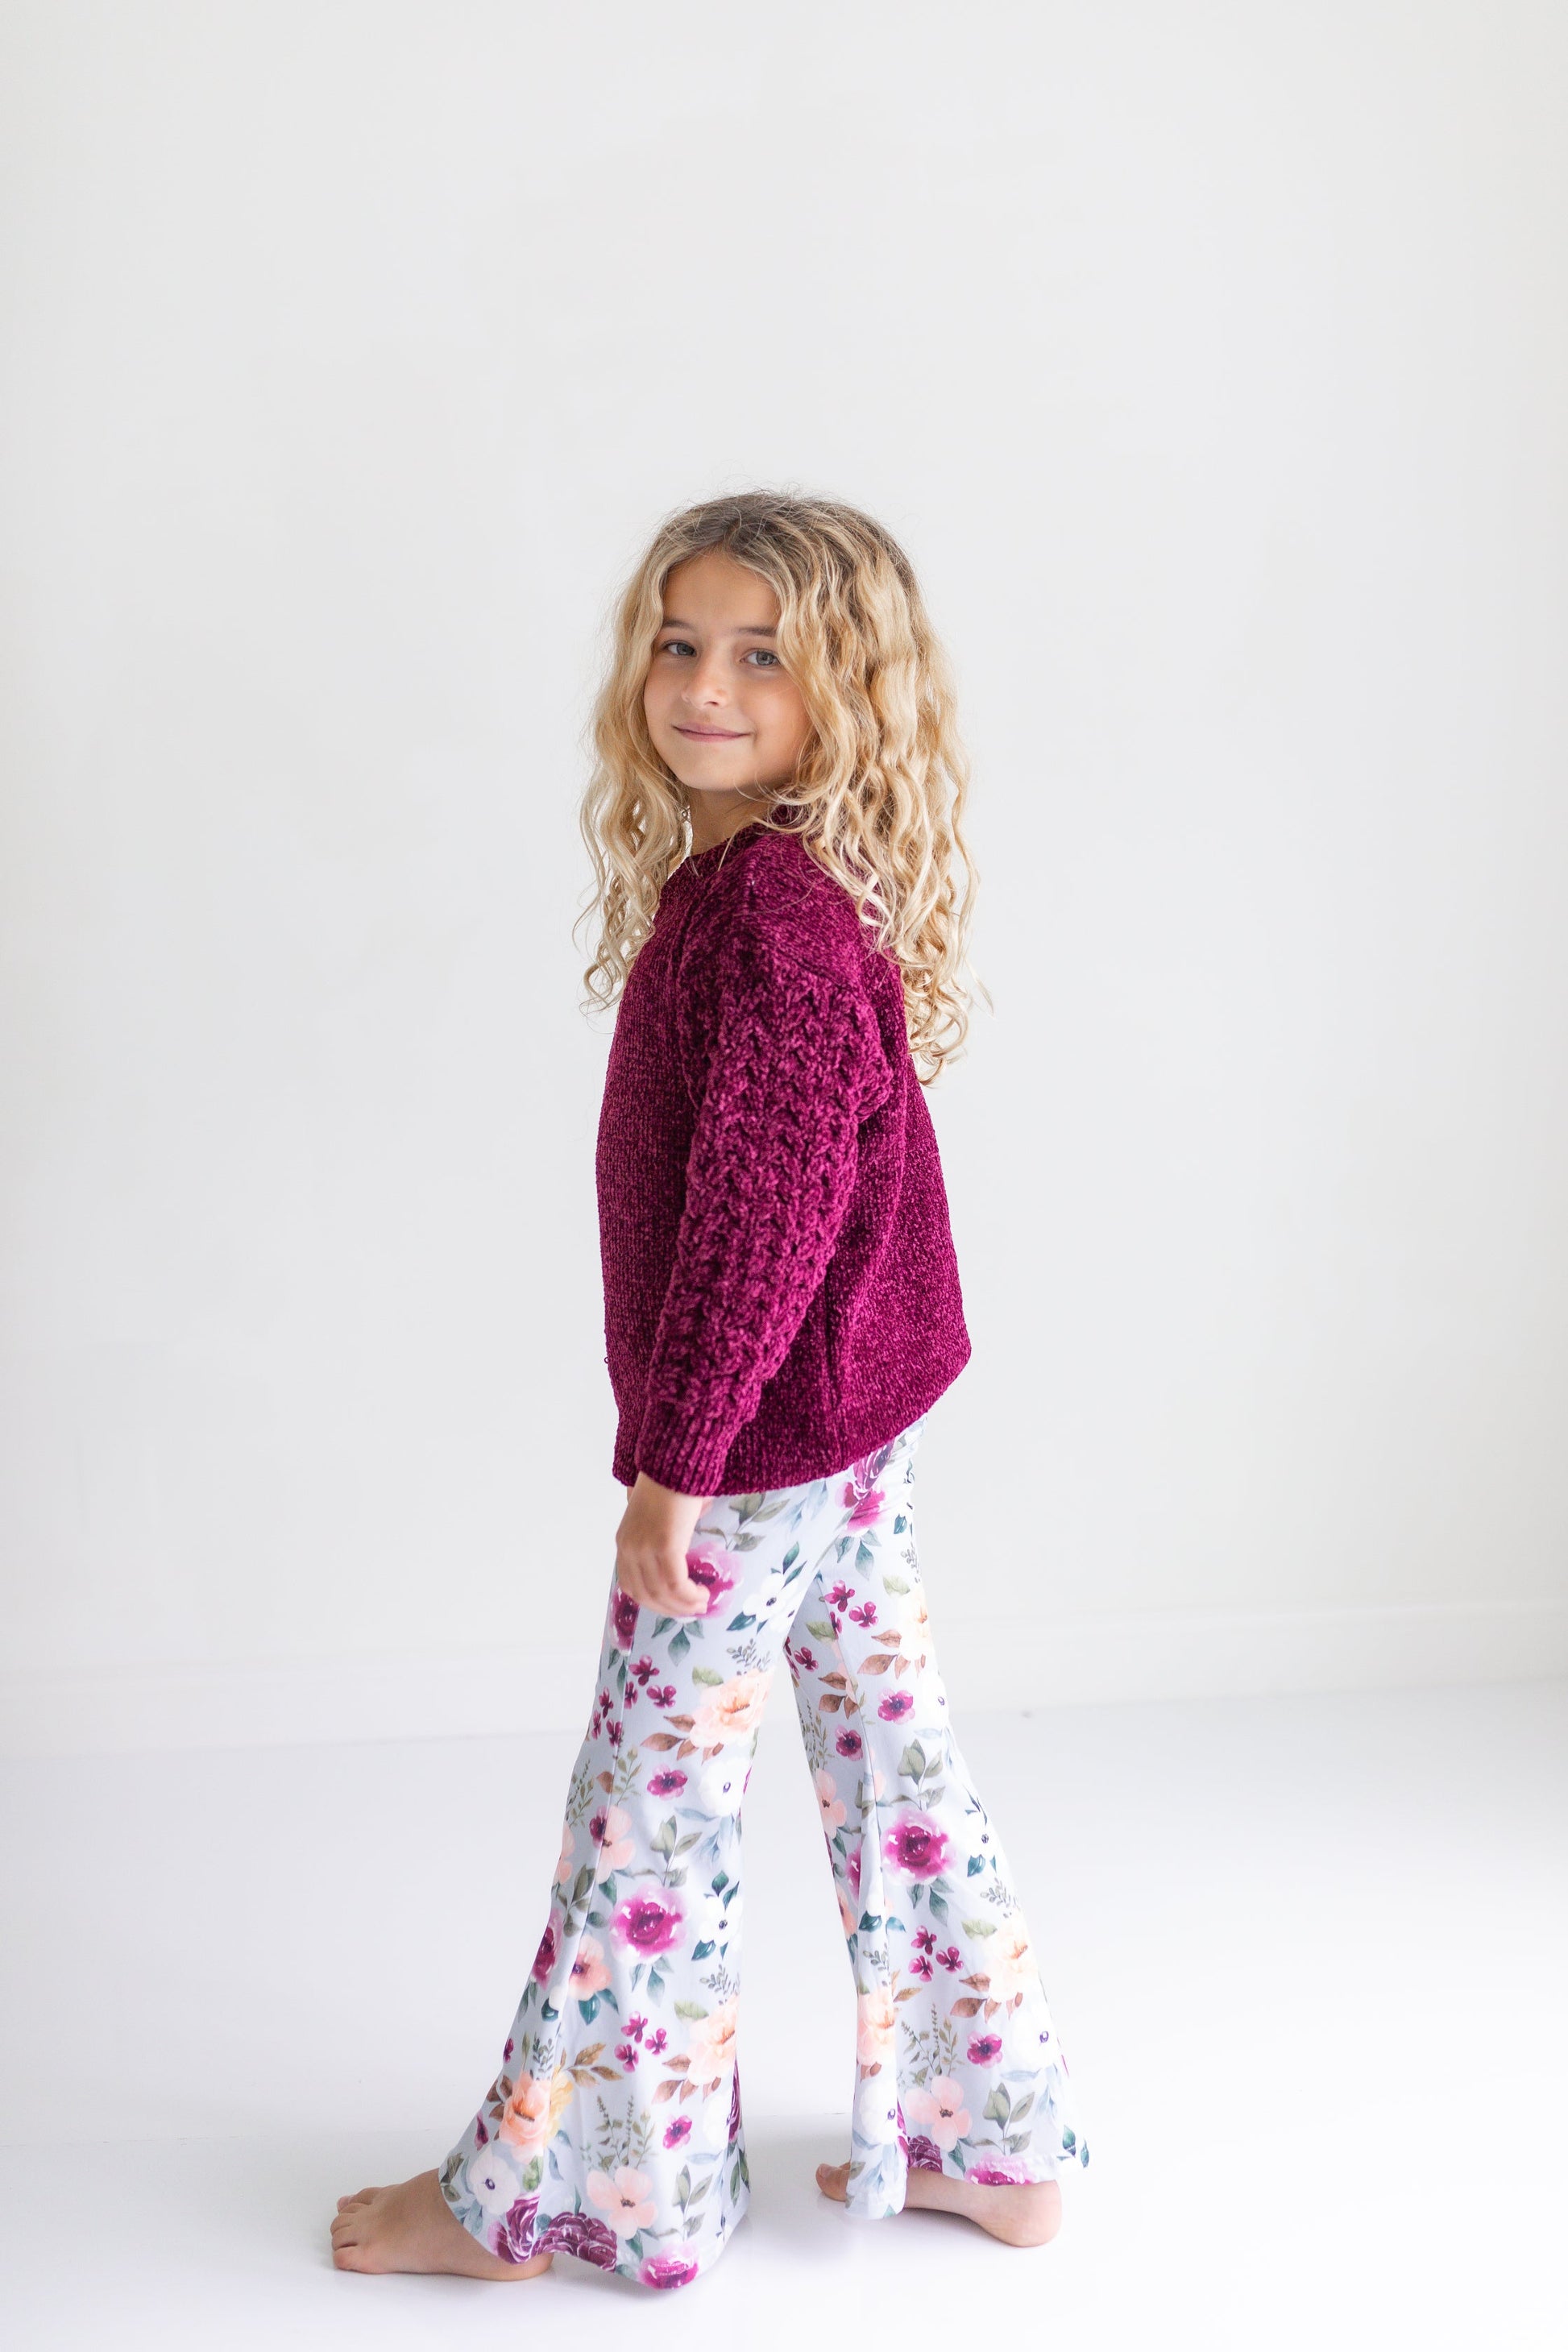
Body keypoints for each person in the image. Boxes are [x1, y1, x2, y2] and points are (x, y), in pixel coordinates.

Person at [330, 491, 1089, 2292]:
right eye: (680, 644)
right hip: (847, 1430)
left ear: (850, 689)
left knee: (644, 1817)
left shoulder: (771, 917)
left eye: (763, 656)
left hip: (754, 1453)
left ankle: (564, 2198)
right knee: (897, 1763)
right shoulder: (777, 887)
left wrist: (673, 1464)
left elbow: (764, 1215)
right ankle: (998, 2139)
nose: (704, 687)